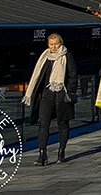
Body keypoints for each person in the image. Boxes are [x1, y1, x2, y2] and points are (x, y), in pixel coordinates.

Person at [24, 33, 78, 165]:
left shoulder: (67, 56)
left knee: (63, 123)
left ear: (61, 43)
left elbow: (73, 75)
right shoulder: (45, 57)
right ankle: (42, 154)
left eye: (56, 44)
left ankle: (61, 152)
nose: (54, 47)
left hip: (61, 93)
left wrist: (70, 91)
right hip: (47, 94)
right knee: (43, 123)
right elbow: (38, 75)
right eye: (51, 44)